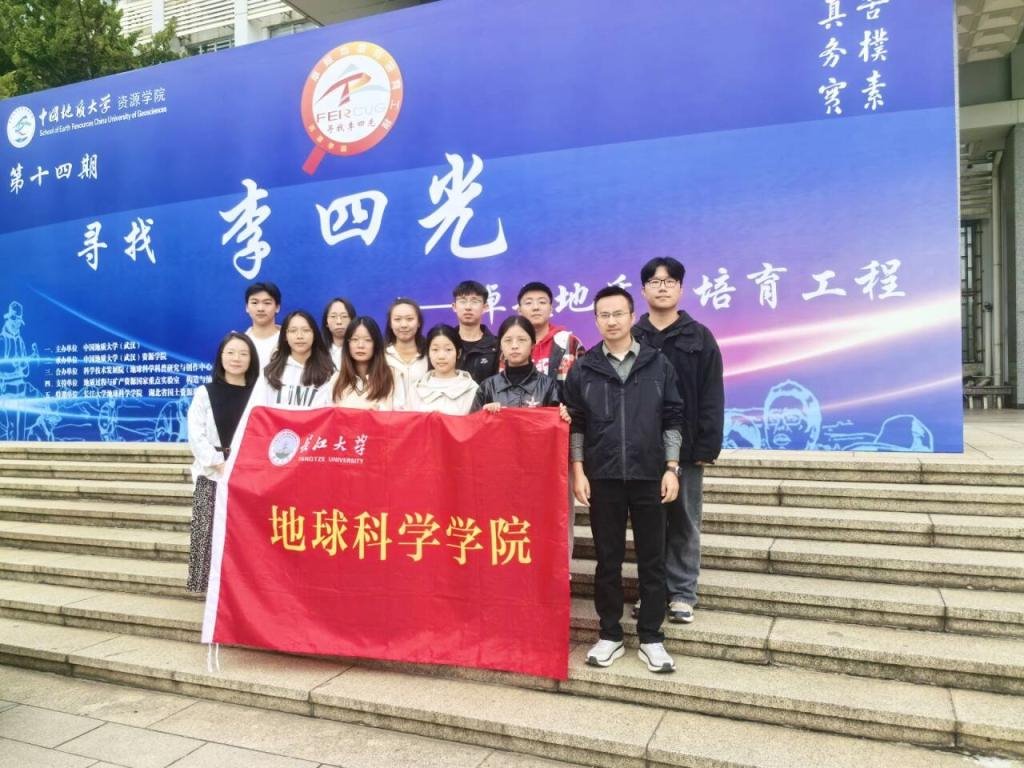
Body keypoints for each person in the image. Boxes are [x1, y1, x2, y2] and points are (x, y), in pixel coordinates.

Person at [562, 285, 684, 674]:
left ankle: (651, 638)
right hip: (603, 476)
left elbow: (673, 418)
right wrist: (579, 470)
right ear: (596, 320)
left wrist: (671, 468)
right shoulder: (584, 368)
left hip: (650, 474)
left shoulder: (657, 363)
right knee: (607, 559)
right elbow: (576, 424)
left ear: (633, 317)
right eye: (604, 315)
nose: (612, 321)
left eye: (618, 314)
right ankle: (610, 634)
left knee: (652, 559)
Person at [633, 256, 724, 625]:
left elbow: (712, 393)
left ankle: (683, 593)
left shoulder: (699, 336)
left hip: (686, 449)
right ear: (643, 290)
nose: (662, 287)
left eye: (670, 281)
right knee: (648, 524)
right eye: (655, 281)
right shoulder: (633, 336)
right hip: (640, 448)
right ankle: (652, 591)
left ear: (681, 289)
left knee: (685, 520)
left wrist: (706, 447)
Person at [186, 331, 259, 592]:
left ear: (252, 359)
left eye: (243, 353)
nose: (236, 358)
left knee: (244, 535)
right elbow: (196, 435)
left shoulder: (258, 394)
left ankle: (241, 589)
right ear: (221, 357)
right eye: (230, 353)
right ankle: (205, 588)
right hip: (212, 472)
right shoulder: (204, 393)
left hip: (248, 473)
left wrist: (244, 465)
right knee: (206, 531)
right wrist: (219, 463)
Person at [472, 316, 559, 412]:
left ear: (532, 345)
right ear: (500, 346)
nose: (514, 346)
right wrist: (485, 413)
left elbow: (555, 419)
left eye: (521, 340)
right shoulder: (488, 387)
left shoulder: (548, 386)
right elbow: (474, 420)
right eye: (508, 340)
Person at [252, 310, 335, 408]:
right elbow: (258, 411)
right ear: (285, 336)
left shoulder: (329, 373)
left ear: (314, 335)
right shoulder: (270, 373)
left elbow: (331, 412)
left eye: (306, 330)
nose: (299, 336)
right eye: (293, 331)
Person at [517, 281, 585, 389]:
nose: (536, 307)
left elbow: (584, 385)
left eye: (542, 302)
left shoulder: (570, 343)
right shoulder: (510, 344)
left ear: (551, 309)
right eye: (528, 303)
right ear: (519, 310)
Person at [406, 324, 479, 415]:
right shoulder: (416, 389)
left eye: (448, 349)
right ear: (428, 353)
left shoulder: (471, 389)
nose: (441, 356)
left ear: (459, 353)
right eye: (435, 349)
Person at [333, 317, 399, 410]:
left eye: (368, 340)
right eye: (355, 339)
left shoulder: (393, 375)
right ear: (347, 344)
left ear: (376, 344)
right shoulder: (336, 379)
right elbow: (330, 412)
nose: (360, 345)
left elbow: (401, 413)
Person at [451, 280, 499, 384]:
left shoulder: (496, 346)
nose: (468, 307)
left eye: (474, 301)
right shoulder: (446, 343)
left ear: (485, 307)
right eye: (463, 301)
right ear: (454, 307)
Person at [384, 298, 429, 404]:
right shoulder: (381, 356)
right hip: (389, 414)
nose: (403, 325)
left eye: (409, 319)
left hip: (423, 413)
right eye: (397, 319)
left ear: (419, 322)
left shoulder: (430, 355)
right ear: (390, 323)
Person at [243, 282, 282, 370]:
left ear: (277, 307)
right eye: (254, 303)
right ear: (247, 307)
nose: (260, 308)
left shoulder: (288, 340)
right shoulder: (240, 342)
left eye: (267, 303)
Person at [321, 297, 357, 370]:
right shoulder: (319, 352)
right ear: (326, 322)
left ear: (352, 320)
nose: (339, 322)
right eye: (333, 316)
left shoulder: (360, 349)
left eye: (344, 316)